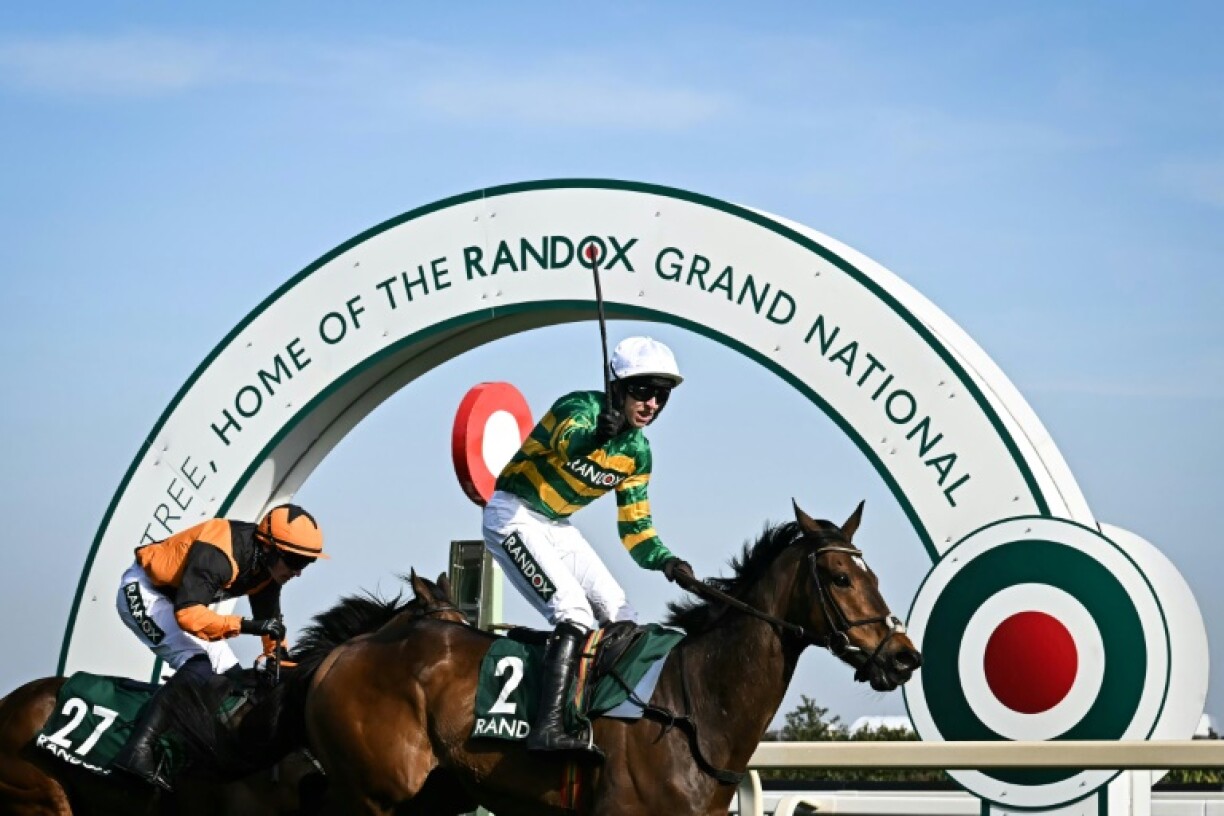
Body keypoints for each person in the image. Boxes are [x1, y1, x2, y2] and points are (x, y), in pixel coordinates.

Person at [482, 336, 695, 757]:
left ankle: (603, 717)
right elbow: (568, 442)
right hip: (513, 514)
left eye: (662, 396)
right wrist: (597, 435)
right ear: (616, 387)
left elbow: (636, 531)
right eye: (643, 390)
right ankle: (547, 727)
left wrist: (667, 562)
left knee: (622, 615)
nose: (652, 404)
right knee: (573, 611)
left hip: (557, 525)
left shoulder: (637, 453)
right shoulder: (578, 407)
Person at [112, 503, 326, 791]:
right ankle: (137, 749)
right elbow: (188, 615)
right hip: (143, 592)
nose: (298, 572)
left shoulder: (266, 569)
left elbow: (271, 628)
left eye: (306, 563)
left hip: (176, 602)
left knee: (233, 680)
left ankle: (193, 750)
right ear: (270, 548)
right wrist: (246, 626)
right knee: (200, 666)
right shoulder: (219, 552)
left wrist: (284, 664)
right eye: (295, 561)